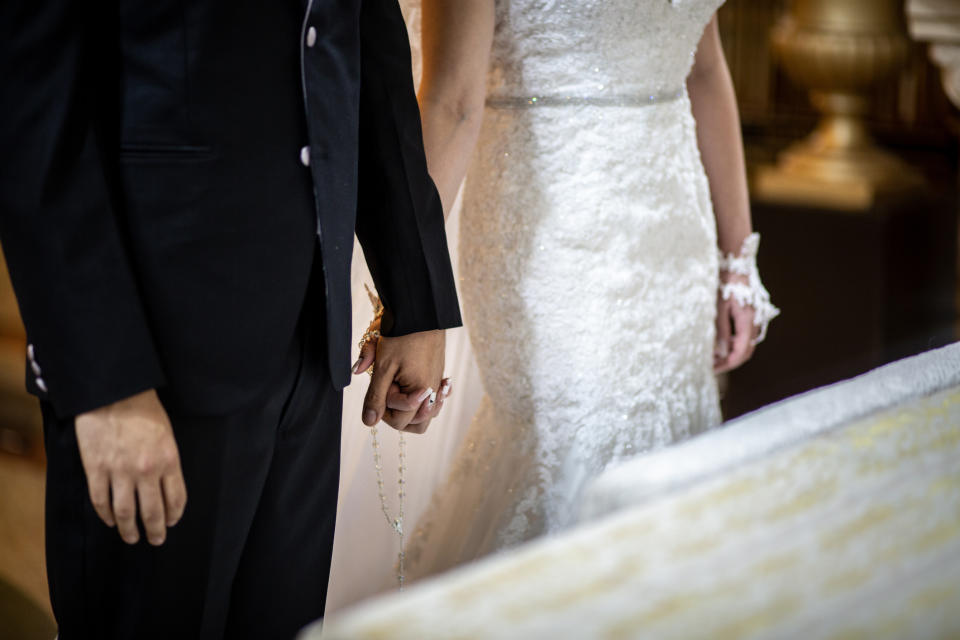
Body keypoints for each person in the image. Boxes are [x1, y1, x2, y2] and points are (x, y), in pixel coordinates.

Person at [0, 0, 460, 638]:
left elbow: (369, 56)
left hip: (312, 341)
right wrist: (105, 384)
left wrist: (416, 301)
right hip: (154, 351)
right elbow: (28, 99)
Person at [351, 0, 780, 586]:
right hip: (551, 234)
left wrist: (737, 257)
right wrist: (409, 297)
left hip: (675, 231)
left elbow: (704, 68)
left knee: (668, 433)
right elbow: (451, 102)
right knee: (568, 447)